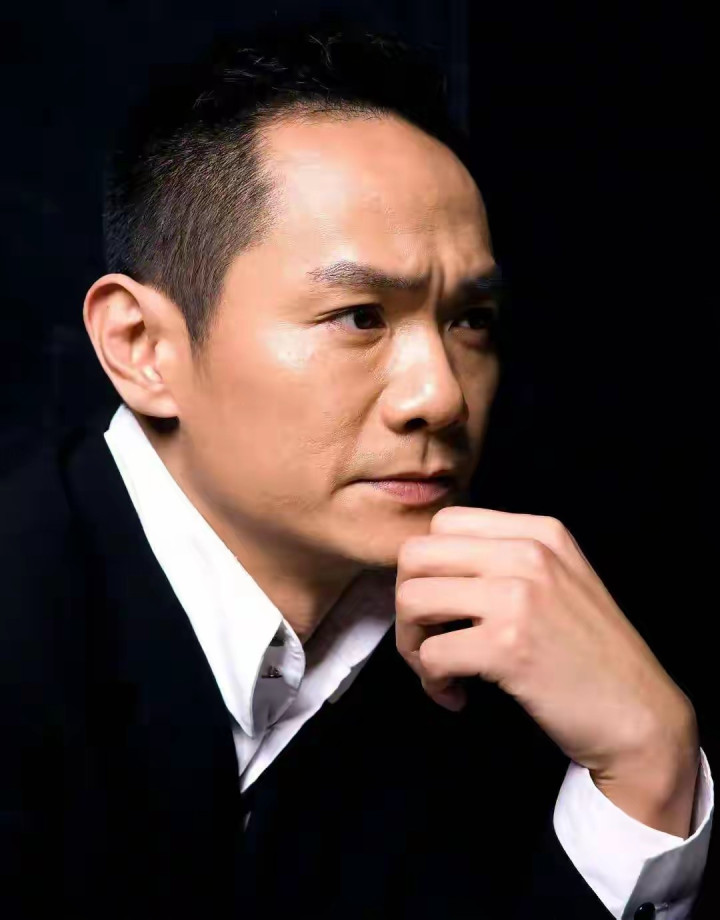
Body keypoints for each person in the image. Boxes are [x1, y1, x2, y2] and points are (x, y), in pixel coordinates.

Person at [0, 17, 713, 919]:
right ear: (142, 345)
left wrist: (651, 768)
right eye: (361, 317)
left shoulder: (520, 650)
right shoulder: (25, 628)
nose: (440, 397)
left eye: (470, 320)